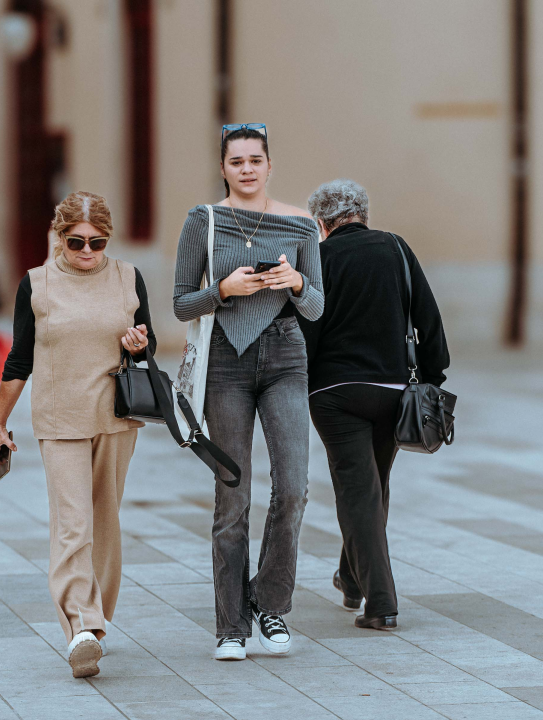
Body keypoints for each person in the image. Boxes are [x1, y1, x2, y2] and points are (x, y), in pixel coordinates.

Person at [173, 125, 324, 661]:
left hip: (285, 357)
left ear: (268, 164)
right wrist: (224, 290)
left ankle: (268, 604)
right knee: (232, 497)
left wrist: (295, 282)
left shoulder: (301, 225)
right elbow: (180, 304)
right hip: (225, 364)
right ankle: (230, 626)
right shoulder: (203, 221)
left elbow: (317, 307)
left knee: (294, 487)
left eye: (255, 159)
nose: (246, 169)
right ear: (223, 167)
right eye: (236, 161)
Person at [0, 191, 156, 679]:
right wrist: (0, 422)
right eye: (77, 242)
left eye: (98, 242)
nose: (87, 252)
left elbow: (145, 356)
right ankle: (80, 627)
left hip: (117, 418)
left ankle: (97, 620)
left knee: (105, 520)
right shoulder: (37, 285)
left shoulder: (128, 278)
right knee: (72, 523)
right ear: (59, 236)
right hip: (61, 420)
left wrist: (137, 345)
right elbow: (20, 359)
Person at [302, 179, 449, 630]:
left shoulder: (319, 259)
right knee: (374, 486)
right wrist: (432, 375)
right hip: (392, 390)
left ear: (322, 222)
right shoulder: (396, 248)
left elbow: (307, 329)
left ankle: (380, 602)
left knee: (358, 492)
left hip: (334, 394)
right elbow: (427, 315)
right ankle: (350, 578)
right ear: (362, 213)